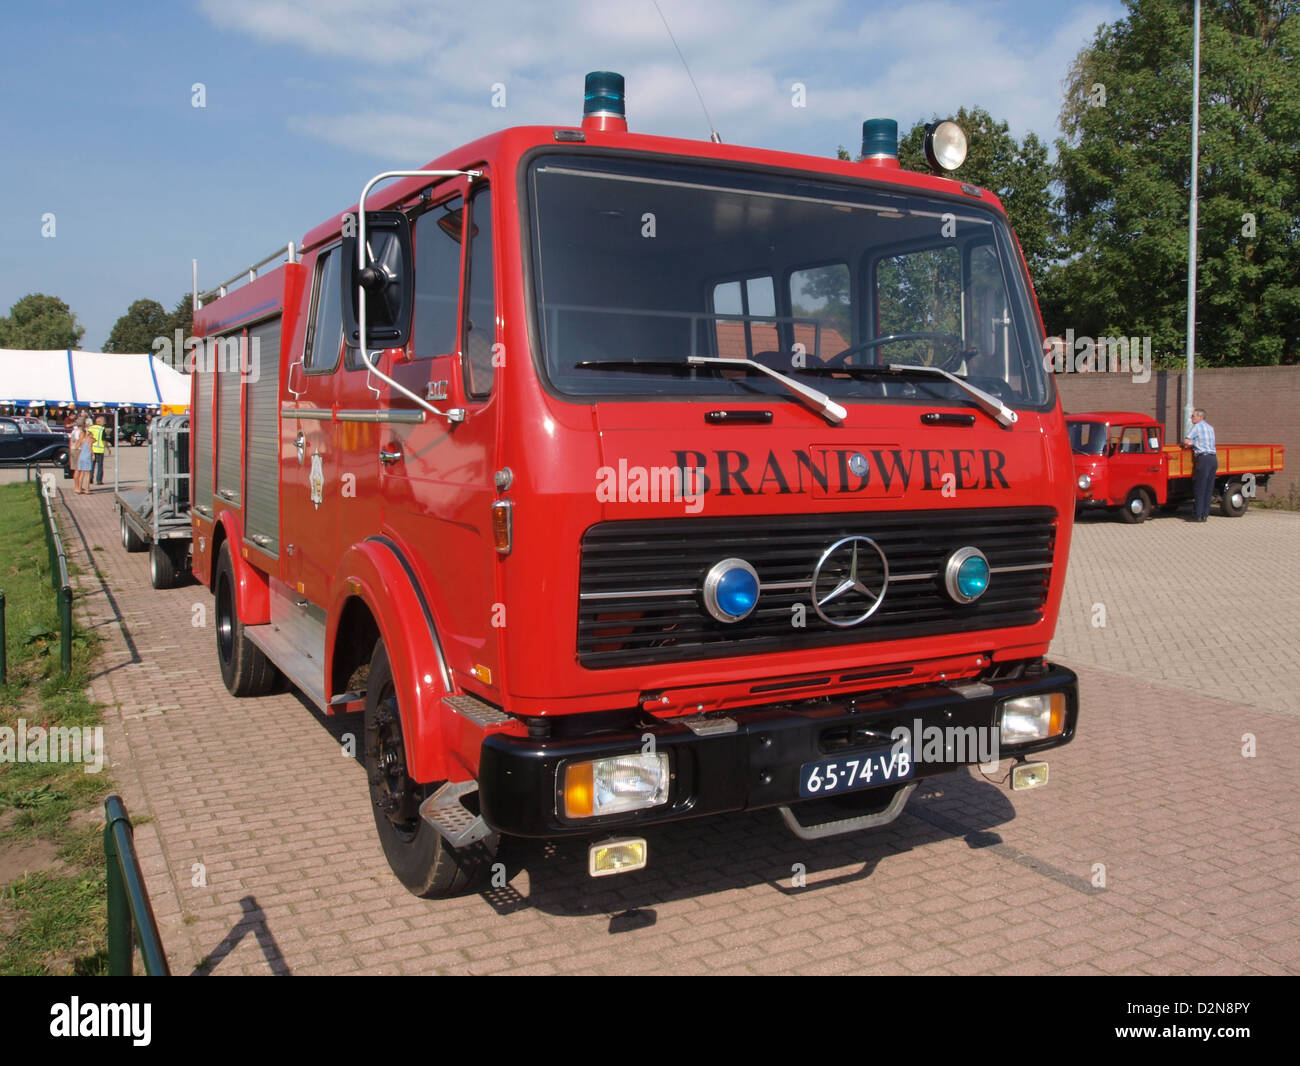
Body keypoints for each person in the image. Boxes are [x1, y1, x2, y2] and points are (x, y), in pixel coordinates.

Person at [1182, 408, 1217, 522]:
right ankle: (1205, 514)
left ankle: (1198, 514)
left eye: (1193, 416)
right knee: (1208, 487)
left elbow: (1186, 441)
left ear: (1200, 417)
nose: (1192, 418)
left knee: (1200, 487)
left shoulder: (1197, 427)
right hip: (1213, 459)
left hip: (1203, 459)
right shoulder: (1210, 428)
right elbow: (1204, 442)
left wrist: (1185, 444)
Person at [89, 414, 111, 486]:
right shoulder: (102, 429)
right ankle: (99, 480)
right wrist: (108, 448)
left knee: (92, 465)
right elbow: (103, 440)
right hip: (99, 450)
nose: (104, 423)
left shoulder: (91, 428)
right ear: (99, 422)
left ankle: (90, 478)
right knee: (100, 466)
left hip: (91, 449)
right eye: (104, 421)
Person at [73, 417, 94, 494]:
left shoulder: (81, 439)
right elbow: (90, 447)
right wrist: (93, 454)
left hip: (81, 456)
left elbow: (76, 446)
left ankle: (78, 488)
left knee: (81, 473)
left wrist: (78, 442)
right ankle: (87, 489)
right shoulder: (89, 439)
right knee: (87, 474)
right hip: (87, 456)